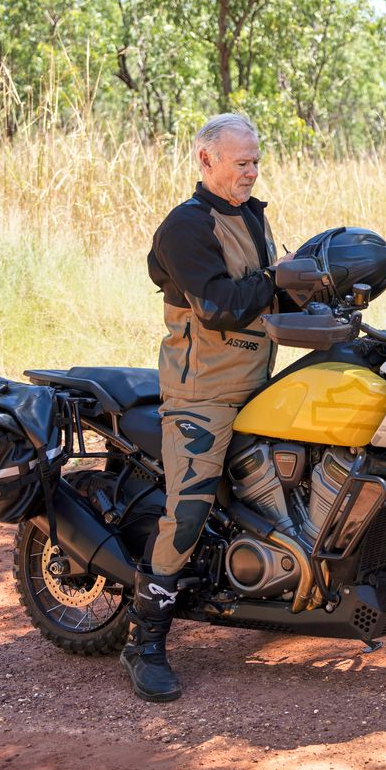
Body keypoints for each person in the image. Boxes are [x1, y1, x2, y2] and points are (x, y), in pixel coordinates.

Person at [128, 113, 286, 702]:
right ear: (205, 161)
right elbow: (220, 306)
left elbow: (274, 291)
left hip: (254, 382)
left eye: (255, 161)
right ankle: (145, 642)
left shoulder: (250, 216)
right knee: (189, 509)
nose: (251, 171)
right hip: (202, 393)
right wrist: (276, 278)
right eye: (241, 162)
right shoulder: (186, 226)